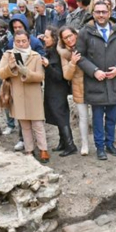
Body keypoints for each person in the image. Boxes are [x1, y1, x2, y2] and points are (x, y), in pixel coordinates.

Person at [76, 0, 116, 161]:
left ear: (109, 13)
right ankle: (100, 147)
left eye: (104, 12)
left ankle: (110, 144)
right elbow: (80, 56)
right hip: (96, 82)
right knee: (97, 118)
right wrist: (94, 71)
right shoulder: (85, 33)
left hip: (114, 81)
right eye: (97, 12)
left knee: (113, 117)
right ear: (93, 14)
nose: (101, 15)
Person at [0, 31, 49, 162]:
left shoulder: (36, 56)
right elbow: (0, 74)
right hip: (17, 93)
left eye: (24, 41)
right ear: (14, 42)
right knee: (24, 124)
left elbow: (40, 76)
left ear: (29, 41)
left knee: (38, 123)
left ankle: (43, 149)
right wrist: (10, 67)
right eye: (18, 41)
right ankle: (29, 149)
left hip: (34, 93)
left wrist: (27, 73)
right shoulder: (8, 55)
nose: (21, 44)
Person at [41, 26, 76, 156]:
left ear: (54, 39)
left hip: (58, 89)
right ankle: (63, 142)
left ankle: (70, 144)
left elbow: (59, 76)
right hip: (52, 89)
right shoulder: (50, 51)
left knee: (61, 116)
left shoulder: (57, 54)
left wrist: (47, 66)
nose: (44, 39)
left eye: (47, 37)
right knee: (56, 115)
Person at [57, 26, 90, 156]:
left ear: (76, 34)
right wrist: (73, 63)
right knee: (83, 117)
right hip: (78, 86)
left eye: (70, 36)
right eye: (66, 38)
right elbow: (67, 75)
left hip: (93, 84)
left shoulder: (86, 44)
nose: (69, 39)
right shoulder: (64, 54)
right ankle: (85, 144)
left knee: (99, 115)